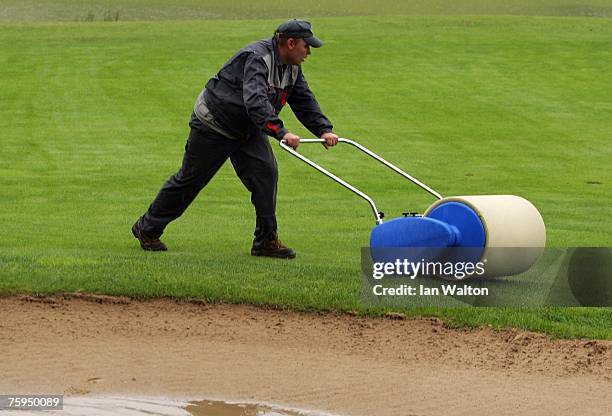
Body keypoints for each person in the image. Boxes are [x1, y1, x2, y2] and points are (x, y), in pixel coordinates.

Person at [132, 19, 339, 259]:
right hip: (215, 124)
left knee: (265, 175)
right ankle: (147, 228)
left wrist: (324, 129)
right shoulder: (258, 59)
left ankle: (265, 241)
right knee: (190, 180)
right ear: (290, 43)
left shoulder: (292, 66)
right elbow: (256, 103)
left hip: (247, 128)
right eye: (306, 46)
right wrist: (281, 132)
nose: (309, 52)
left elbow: (303, 99)